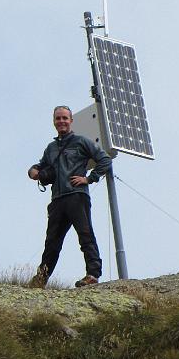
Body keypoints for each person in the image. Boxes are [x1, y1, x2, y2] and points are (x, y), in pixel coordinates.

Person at [27, 105, 112, 288]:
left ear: (71, 121)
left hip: (77, 196)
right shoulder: (50, 148)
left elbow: (104, 159)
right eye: (58, 118)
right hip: (57, 200)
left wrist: (89, 179)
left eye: (65, 118)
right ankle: (41, 279)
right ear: (54, 122)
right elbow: (41, 166)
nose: (61, 121)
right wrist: (33, 171)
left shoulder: (81, 141)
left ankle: (92, 274)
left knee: (85, 235)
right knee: (52, 242)